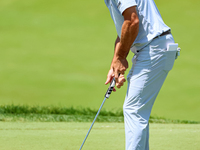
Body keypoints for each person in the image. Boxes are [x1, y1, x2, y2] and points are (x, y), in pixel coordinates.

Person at [104, 0, 179, 150]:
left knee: (134, 109)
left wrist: (121, 57)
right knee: (137, 110)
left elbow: (132, 21)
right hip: (157, 46)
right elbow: (124, 31)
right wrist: (116, 61)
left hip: (154, 48)